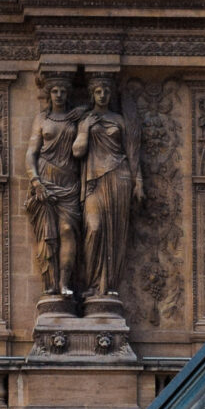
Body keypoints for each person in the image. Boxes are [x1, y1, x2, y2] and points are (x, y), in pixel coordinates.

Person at [73, 76, 141, 302]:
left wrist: (138, 181)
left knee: (115, 234)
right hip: (94, 178)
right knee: (94, 228)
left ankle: (107, 287)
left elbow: (132, 152)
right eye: (99, 91)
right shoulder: (86, 120)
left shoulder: (119, 120)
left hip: (119, 176)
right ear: (92, 94)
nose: (103, 95)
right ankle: (93, 284)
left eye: (106, 92)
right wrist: (85, 130)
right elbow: (77, 152)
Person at [24, 78, 84, 306]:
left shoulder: (76, 118)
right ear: (48, 94)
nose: (58, 94)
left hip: (70, 183)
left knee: (68, 231)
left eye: (63, 90)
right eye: (55, 90)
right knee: (48, 238)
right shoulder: (41, 119)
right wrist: (36, 182)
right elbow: (31, 153)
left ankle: (64, 283)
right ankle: (50, 283)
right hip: (46, 183)